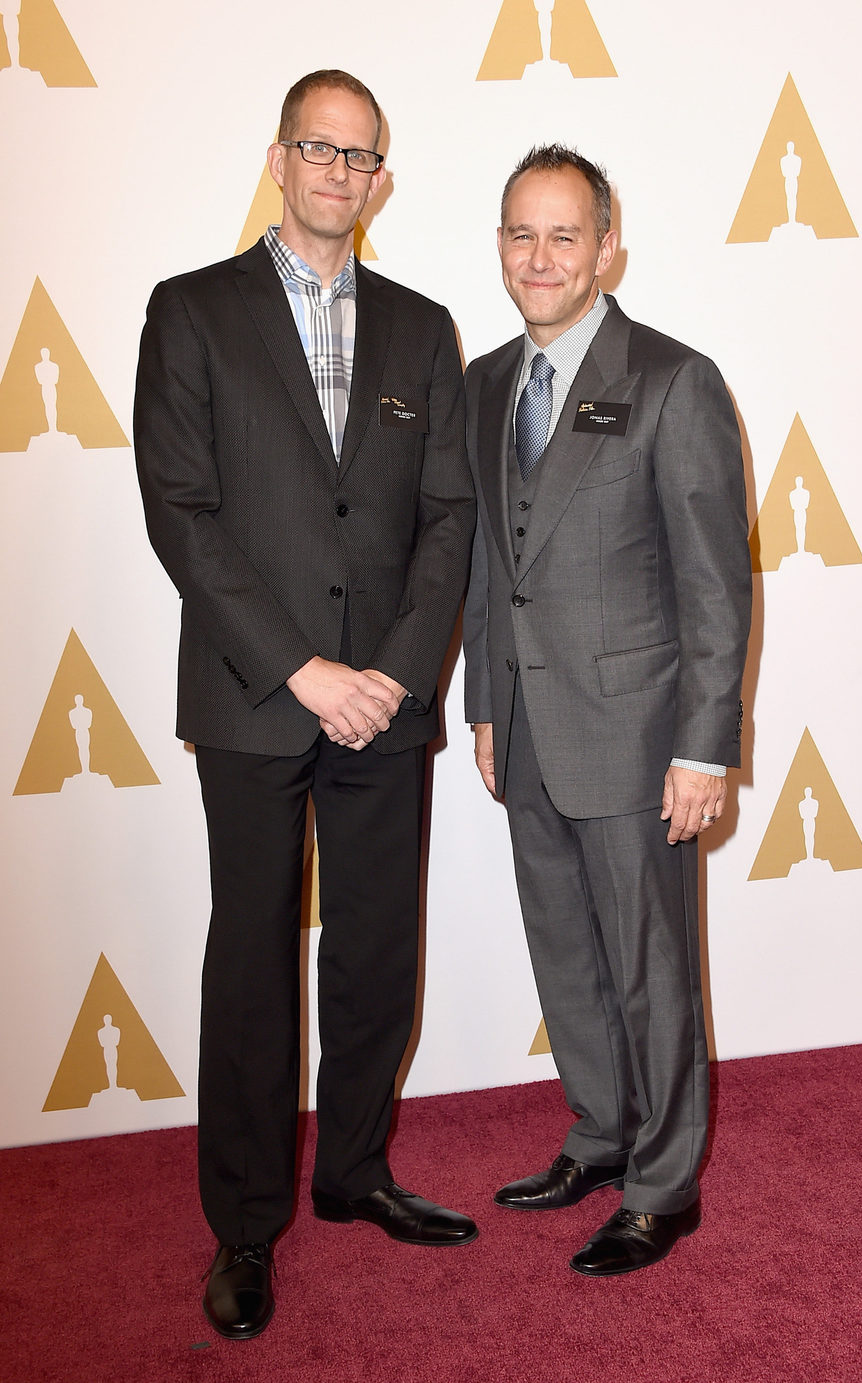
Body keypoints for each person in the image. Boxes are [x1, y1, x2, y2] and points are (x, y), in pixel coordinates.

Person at [134, 69, 477, 1340]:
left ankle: (355, 1172)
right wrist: (300, 668)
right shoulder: (191, 312)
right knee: (255, 954)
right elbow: (183, 513)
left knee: (379, 947)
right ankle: (242, 1227)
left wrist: (388, 670)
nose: (339, 173)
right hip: (253, 694)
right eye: (316, 150)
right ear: (279, 161)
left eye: (360, 157)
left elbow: (446, 514)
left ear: (381, 180)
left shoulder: (420, 325)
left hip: (387, 698)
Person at [463, 145, 752, 1277]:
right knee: (566, 954)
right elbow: (495, 561)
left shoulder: (675, 382)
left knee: (651, 965)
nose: (541, 258)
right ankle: (600, 1133)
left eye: (564, 236)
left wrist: (703, 745)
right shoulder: (487, 382)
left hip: (640, 740)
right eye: (522, 236)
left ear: (607, 248)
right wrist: (488, 702)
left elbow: (716, 586)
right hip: (526, 730)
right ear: (501, 249)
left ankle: (664, 1185)